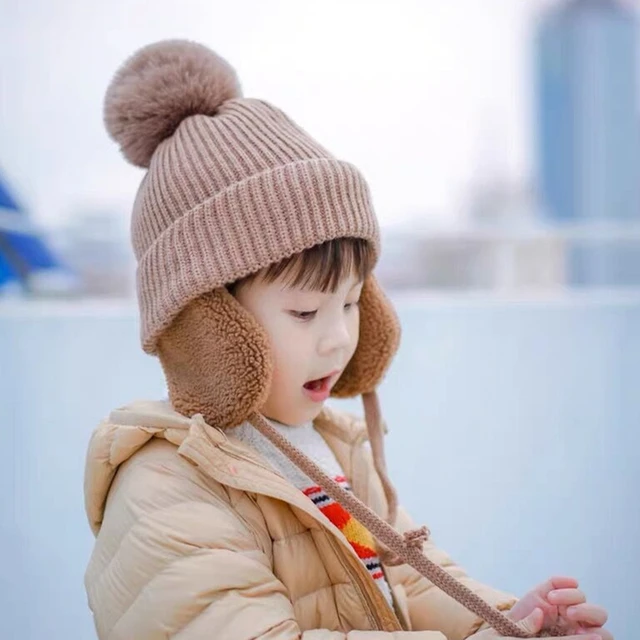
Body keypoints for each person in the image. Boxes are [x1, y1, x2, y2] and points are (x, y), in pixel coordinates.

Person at [84, 40, 611, 639]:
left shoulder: (330, 449)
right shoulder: (167, 486)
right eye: (306, 312)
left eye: (354, 303)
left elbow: (408, 581)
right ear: (205, 329)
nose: (339, 340)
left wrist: (511, 624)